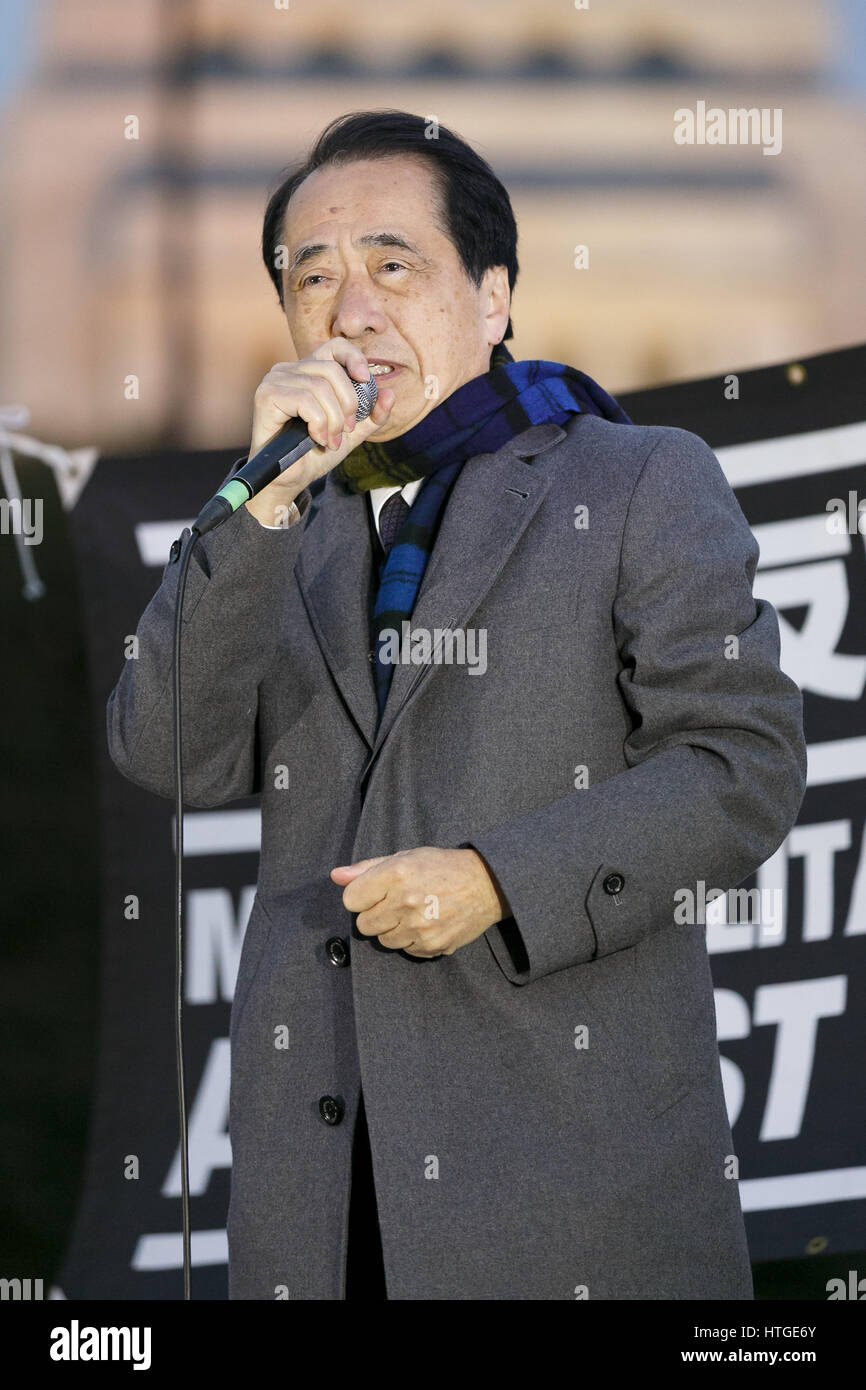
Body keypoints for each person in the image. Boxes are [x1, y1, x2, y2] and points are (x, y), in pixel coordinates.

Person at [106, 109, 807, 1300]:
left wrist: (496, 879)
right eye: (309, 275)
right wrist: (265, 508)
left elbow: (739, 767)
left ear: (492, 297)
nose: (348, 307)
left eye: (392, 264)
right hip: (317, 1208)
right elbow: (169, 750)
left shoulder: (637, 479)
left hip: (570, 1196)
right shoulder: (273, 521)